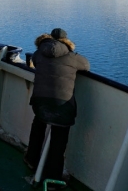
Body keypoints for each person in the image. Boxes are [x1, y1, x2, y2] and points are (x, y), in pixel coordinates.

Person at [24, 28, 90, 186]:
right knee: (58, 141)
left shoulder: (39, 53)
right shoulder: (72, 57)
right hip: (62, 106)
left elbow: (34, 60)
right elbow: (86, 66)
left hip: (39, 103)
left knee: (38, 124)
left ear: (49, 38)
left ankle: (31, 159)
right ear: (66, 41)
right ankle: (53, 181)